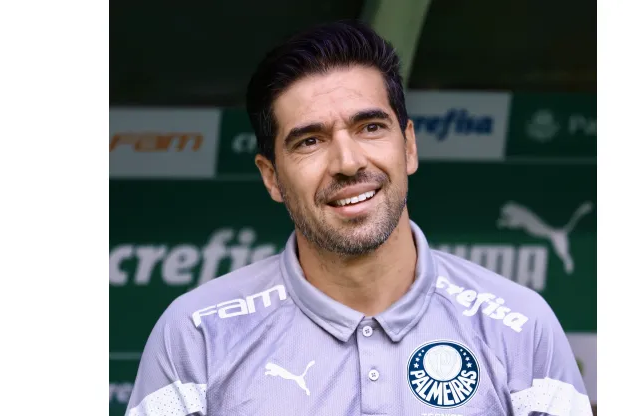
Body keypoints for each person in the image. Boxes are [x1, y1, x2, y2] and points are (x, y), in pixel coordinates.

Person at [125, 20, 592, 416]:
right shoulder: (196, 333)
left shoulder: (520, 325)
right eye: (309, 140)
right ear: (272, 177)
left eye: (370, 127)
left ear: (408, 145)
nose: (347, 162)